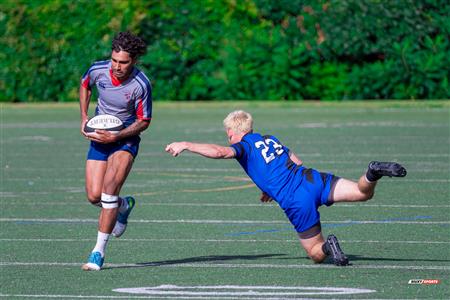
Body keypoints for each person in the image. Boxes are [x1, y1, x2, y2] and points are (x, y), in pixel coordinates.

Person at [165, 110, 407, 266]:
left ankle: (328, 246)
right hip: (312, 179)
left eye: (228, 133)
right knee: (362, 192)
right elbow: (293, 159)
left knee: (314, 251)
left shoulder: (243, 147)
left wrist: (185, 143)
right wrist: (270, 187)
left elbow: (219, 152)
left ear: (232, 132)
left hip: (295, 199)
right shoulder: (270, 138)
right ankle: (373, 171)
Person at [79, 31, 152, 271]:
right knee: (94, 196)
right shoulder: (97, 70)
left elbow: (144, 120)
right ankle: (123, 206)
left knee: (109, 191)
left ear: (133, 61)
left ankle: (97, 252)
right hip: (101, 136)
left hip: (125, 139)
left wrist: (118, 135)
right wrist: (84, 117)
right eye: (114, 60)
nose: (117, 66)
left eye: (123, 62)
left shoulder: (141, 84)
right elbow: (85, 85)